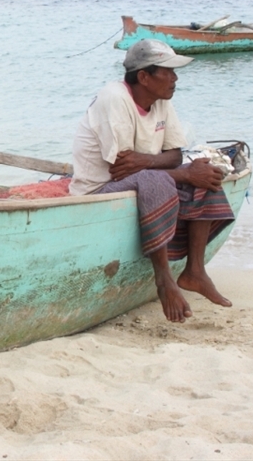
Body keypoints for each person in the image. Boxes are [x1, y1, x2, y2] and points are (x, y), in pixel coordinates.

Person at [70, 39, 235, 323]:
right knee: (158, 181)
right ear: (144, 77)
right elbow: (122, 169)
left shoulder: (161, 100)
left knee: (205, 173)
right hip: (100, 189)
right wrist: (180, 172)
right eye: (168, 72)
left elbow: (174, 155)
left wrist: (150, 162)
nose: (175, 78)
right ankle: (164, 280)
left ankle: (195, 271)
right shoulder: (115, 98)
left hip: (141, 178)